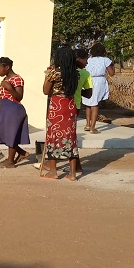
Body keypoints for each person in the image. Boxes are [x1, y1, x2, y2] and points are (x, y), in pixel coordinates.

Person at [40, 45, 81, 181]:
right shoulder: (76, 74)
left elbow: (46, 91)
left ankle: (53, 171)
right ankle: (73, 174)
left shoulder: (54, 73)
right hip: (70, 105)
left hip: (57, 106)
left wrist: (47, 75)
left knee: (53, 136)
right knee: (71, 137)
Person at [0, 56, 30, 168]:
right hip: (5, 109)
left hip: (14, 109)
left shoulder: (17, 79)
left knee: (11, 134)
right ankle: (22, 153)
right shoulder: (5, 79)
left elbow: (19, 96)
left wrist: (9, 87)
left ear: (7, 67)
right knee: (4, 134)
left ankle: (10, 161)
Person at [82, 42, 115, 134]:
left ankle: (87, 125)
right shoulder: (105, 60)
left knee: (88, 103)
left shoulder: (89, 59)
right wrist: (112, 66)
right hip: (98, 81)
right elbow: (112, 73)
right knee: (95, 104)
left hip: (88, 80)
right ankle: (93, 128)